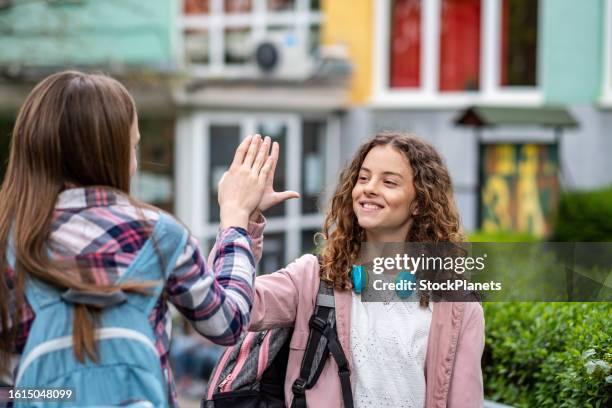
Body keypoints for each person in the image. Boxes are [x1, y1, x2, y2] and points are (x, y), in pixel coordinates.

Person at [0, 70, 293, 407]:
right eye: (132, 146)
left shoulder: (9, 240)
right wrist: (236, 218)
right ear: (110, 154)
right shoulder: (157, 235)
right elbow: (227, 323)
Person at [245, 133, 485, 407]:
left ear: (419, 203)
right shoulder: (313, 279)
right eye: (363, 178)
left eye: (389, 182)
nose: (369, 188)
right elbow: (240, 306)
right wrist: (244, 218)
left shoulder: (458, 307)